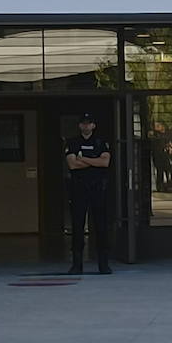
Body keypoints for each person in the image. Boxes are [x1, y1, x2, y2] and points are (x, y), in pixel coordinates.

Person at [65, 112, 112, 275]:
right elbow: (72, 165)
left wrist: (83, 159)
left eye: (89, 123)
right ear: (79, 126)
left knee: (101, 226)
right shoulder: (72, 142)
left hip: (98, 189)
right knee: (77, 226)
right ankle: (76, 265)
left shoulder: (101, 142)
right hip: (79, 189)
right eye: (83, 123)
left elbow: (105, 162)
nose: (86, 126)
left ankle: (103, 264)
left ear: (93, 125)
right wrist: (94, 161)